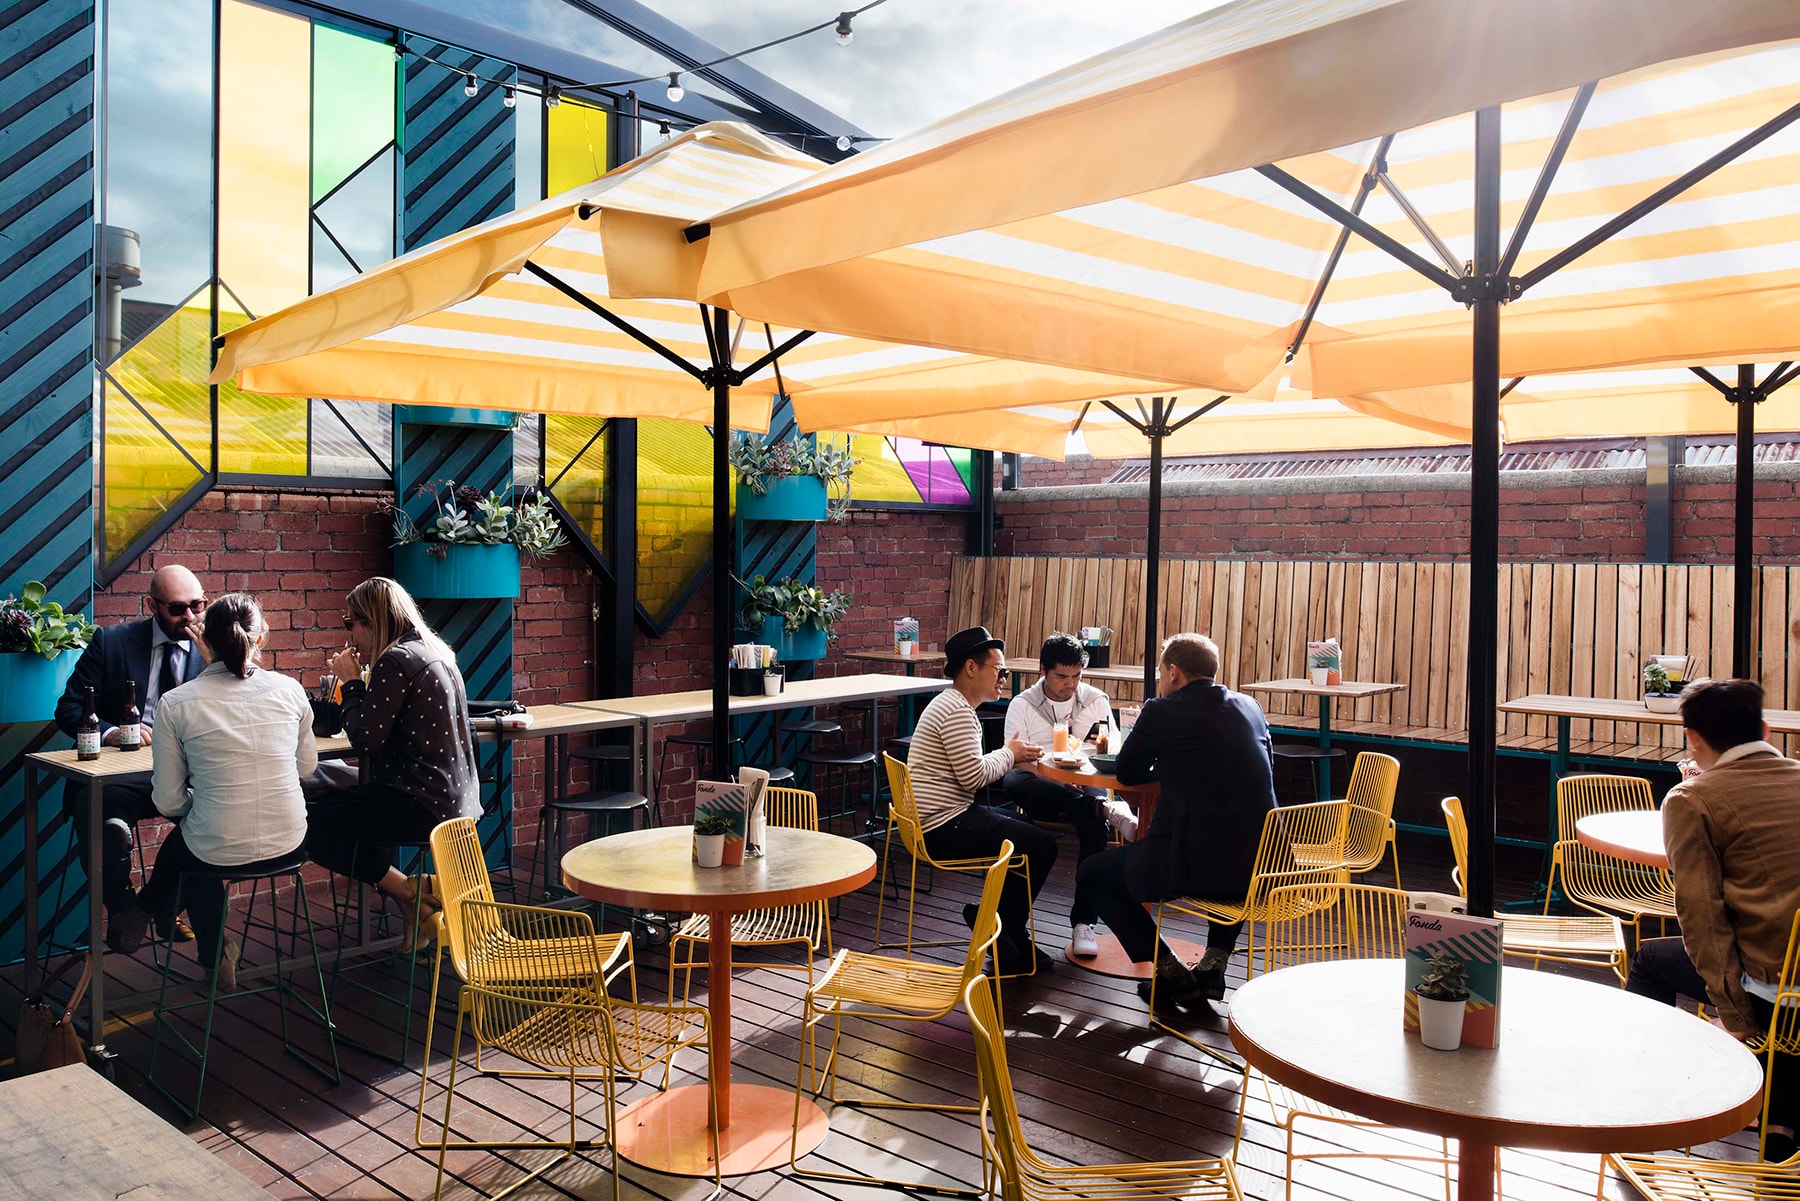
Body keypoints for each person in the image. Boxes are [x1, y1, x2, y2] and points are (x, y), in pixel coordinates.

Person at [1624, 679, 1800, 1162]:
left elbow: (1701, 917)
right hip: (1794, 985)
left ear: (1692, 738)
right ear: (1765, 729)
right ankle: (1780, 1124)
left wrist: (1735, 1016)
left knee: (1651, 959)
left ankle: (1643, 1111)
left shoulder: (1691, 799)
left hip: (1778, 998)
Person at [110, 595, 314, 991]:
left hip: (213, 847)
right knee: (196, 843)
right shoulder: (291, 690)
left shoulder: (177, 703)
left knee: (193, 844)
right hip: (291, 843)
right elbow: (305, 768)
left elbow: (167, 801)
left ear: (207, 639)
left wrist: (200, 807)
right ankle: (165, 921)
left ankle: (149, 911)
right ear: (262, 637)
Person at [1072, 633, 1275, 1006]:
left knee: (1093, 875)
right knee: (1232, 842)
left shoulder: (1162, 710)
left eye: (1163, 672)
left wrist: (1167, 763)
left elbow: (1130, 771)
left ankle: (1169, 969)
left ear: (1174, 672)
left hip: (1189, 861)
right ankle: (1213, 966)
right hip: (1263, 864)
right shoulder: (1251, 707)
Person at [304, 577, 479, 944]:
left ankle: (411, 892)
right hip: (456, 801)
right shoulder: (436, 652)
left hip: (420, 804)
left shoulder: (396, 660)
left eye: (350, 623)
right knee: (355, 804)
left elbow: (365, 739)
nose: (349, 635)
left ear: (373, 621)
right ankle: (415, 910)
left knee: (309, 826)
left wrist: (351, 682)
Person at [55, 563, 208, 947]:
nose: (189, 616)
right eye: (177, 608)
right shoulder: (112, 641)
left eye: (198, 605)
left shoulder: (213, 650)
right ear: (152, 605)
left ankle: (156, 908)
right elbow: (69, 711)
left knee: (218, 820)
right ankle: (122, 906)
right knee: (99, 811)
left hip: (188, 775)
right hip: (123, 776)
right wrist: (112, 732)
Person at [907, 625, 1055, 973]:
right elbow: (974, 775)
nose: (1003, 678)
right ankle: (1004, 931)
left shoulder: (950, 704)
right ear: (971, 668)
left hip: (942, 818)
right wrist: (1010, 753)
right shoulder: (956, 710)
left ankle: (998, 927)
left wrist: (1009, 755)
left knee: (1028, 831)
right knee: (1042, 846)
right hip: (944, 827)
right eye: (999, 670)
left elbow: (971, 769)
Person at [1002, 633, 1115, 957]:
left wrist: (1079, 771)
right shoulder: (1022, 704)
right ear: (1043, 671)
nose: (1070, 684)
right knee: (1014, 780)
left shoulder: (1095, 700)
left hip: (1083, 782)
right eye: (1062, 676)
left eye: (1077, 676)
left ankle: (1084, 923)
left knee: (1094, 823)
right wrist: (1055, 778)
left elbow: (1108, 749)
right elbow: (1010, 757)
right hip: (1038, 783)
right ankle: (1100, 809)